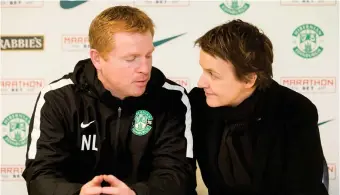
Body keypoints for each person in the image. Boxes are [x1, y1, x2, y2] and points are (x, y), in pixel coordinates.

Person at [22, 5, 196, 195]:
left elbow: (178, 176)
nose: (145, 68)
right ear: (97, 59)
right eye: (131, 58)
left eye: (149, 55)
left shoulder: (172, 98)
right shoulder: (58, 98)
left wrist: (136, 194)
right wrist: (78, 193)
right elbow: (39, 175)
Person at [189, 19, 328, 195]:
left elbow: (302, 188)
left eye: (213, 75)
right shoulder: (198, 103)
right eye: (203, 70)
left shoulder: (295, 111)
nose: (201, 83)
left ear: (249, 79)